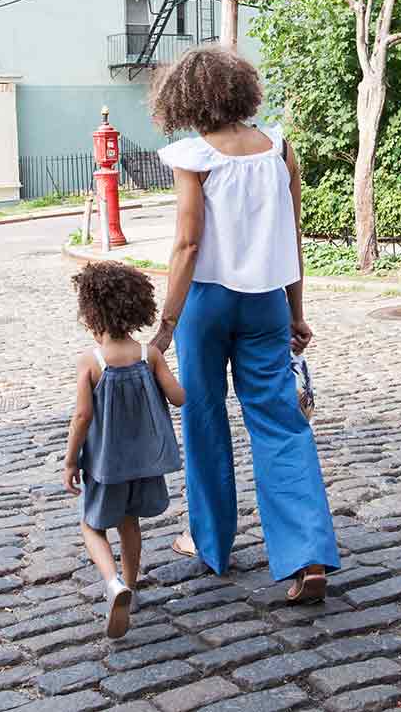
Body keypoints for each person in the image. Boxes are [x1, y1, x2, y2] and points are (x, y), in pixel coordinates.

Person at [149, 45, 340, 603]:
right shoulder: (278, 147)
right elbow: (291, 234)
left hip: (207, 304)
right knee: (281, 423)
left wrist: (165, 325)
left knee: (204, 419)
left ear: (186, 98)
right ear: (241, 91)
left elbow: (187, 243)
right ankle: (306, 554)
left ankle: (212, 543)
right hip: (266, 304)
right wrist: (297, 310)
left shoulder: (194, 156)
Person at [64, 262, 186, 638]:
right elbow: (179, 398)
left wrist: (71, 460)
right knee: (129, 523)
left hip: (105, 464)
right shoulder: (150, 355)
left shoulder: (92, 362)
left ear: (91, 315)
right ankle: (130, 585)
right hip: (145, 463)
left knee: (92, 524)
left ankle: (112, 582)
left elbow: (83, 416)